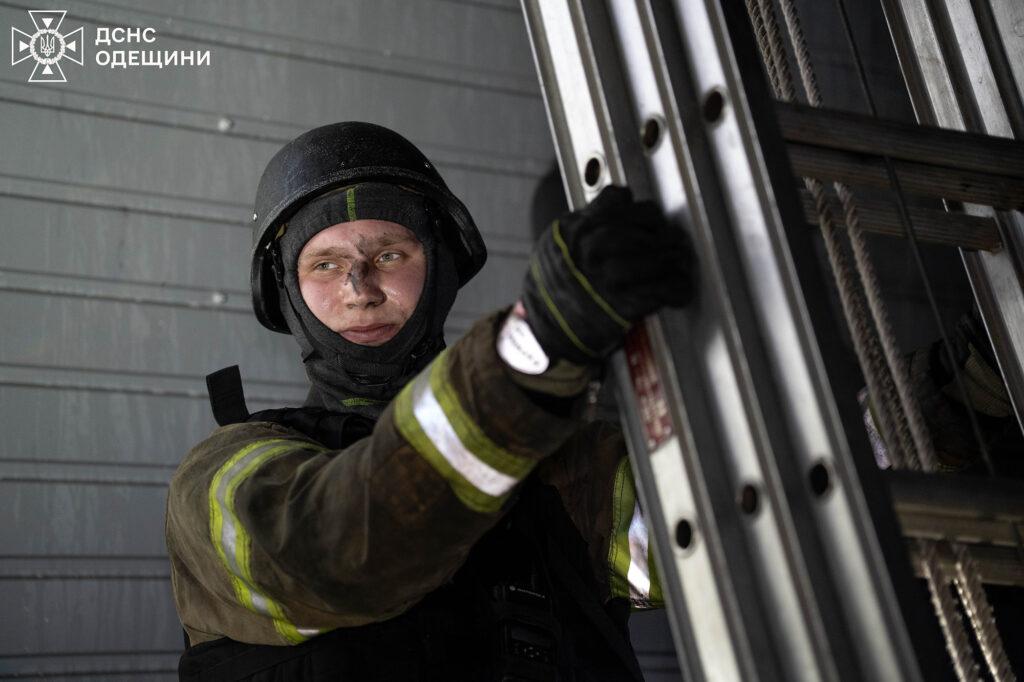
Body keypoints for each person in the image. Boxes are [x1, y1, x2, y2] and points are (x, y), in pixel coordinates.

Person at [165, 121, 695, 681]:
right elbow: (340, 553)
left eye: (390, 255)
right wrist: (530, 354)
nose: (360, 288)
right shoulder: (220, 478)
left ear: (440, 264)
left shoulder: (567, 468)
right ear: (286, 290)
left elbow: (711, 544)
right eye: (324, 264)